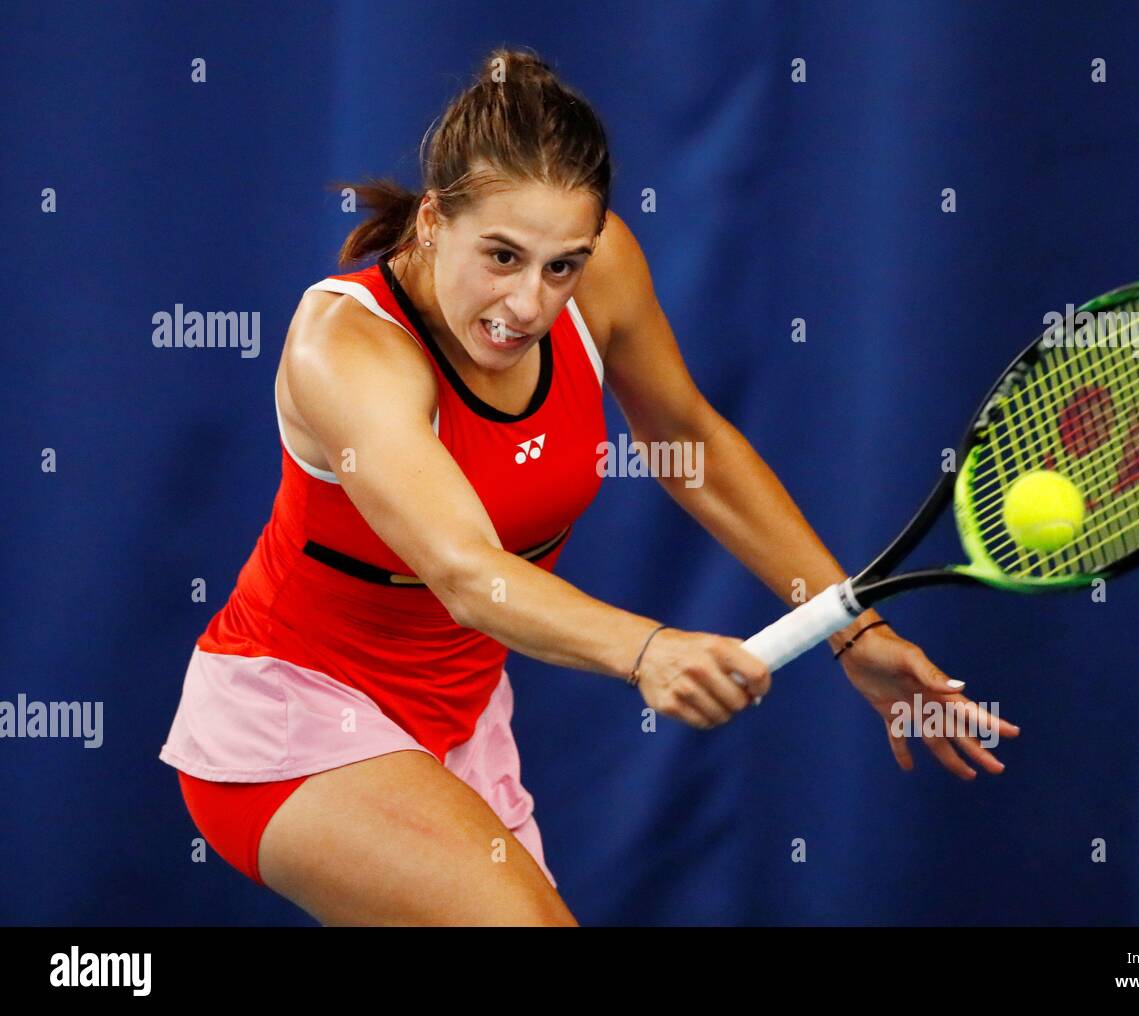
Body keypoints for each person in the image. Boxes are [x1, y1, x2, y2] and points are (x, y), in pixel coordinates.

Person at [159, 47, 1017, 927]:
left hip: (460, 723)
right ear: (430, 221)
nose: (531, 303)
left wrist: (853, 627)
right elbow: (463, 571)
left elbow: (688, 440)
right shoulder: (345, 347)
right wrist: (647, 651)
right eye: (500, 256)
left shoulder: (598, 268)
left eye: (561, 265)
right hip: (297, 718)